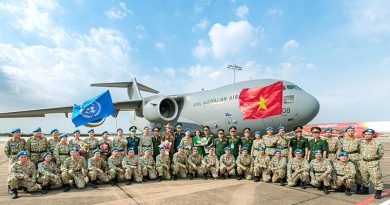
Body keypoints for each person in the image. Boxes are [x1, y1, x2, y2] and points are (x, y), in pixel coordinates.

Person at [359, 129, 384, 199]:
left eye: (369, 134)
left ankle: (378, 192)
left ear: (372, 135)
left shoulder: (377, 143)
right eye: (366, 134)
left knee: (376, 177)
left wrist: (374, 158)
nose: (367, 136)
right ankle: (365, 189)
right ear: (363, 135)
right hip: (363, 162)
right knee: (364, 177)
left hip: (373, 162)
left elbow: (381, 153)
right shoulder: (362, 143)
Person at [341, 126, 363, 193]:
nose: (351, 132)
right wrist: (339, 157)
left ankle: (358, 187)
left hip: (355, 157)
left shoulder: (358, 140)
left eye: (352, 130)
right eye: (349, 130)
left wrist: (361, 158)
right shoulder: (342, 140)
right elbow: (340, 149)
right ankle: (347, 187)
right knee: (346, 171)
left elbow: (361, 149)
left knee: (357, 172)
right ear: (346, 132)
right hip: (345, 157)